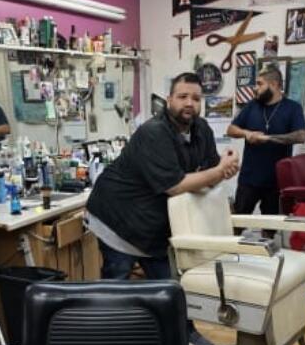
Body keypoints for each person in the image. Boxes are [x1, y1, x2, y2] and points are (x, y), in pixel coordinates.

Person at [86, 71, 239, 281]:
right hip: (117, 219)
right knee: (116, 289)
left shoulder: (202, 129)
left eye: (196, 98)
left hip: (154, 226)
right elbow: (175, 185)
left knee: (168, 289)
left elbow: (210, 171)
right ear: (169, 100)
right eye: (182, 96)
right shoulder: (154, 132)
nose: (189, 103)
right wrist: (219, 171)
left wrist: (226, 168)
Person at [226, 66, 305, 214]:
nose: (255, 88)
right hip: (249, 179)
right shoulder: (252, 106)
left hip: (276, 181)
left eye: (260, 84)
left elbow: (301, 136)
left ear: (274, 84)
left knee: (270, 228)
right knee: (237, 224)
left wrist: (267, 138)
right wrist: (247, 134)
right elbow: (231, 129)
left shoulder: (293, 108)